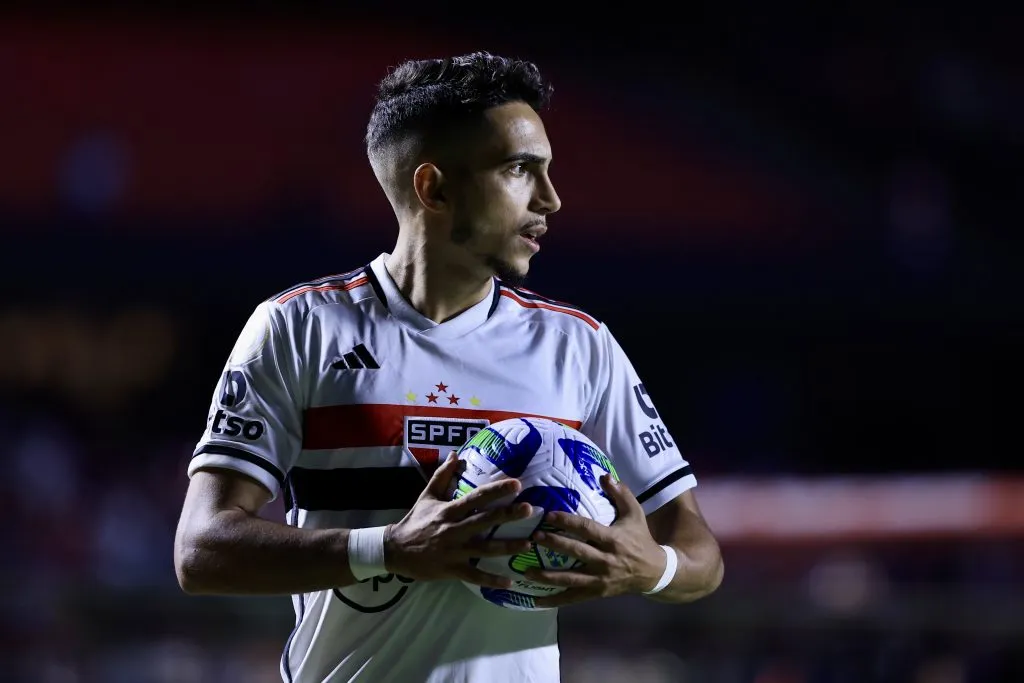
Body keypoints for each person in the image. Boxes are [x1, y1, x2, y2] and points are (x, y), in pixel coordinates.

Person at [173, 51, 723, 683]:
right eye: (520, 169)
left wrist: (652, 569)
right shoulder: (300, 328)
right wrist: (393, 550)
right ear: (432, 187)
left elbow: (700, 551)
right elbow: (202, 551)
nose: (552, 198)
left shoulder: (579, 345)